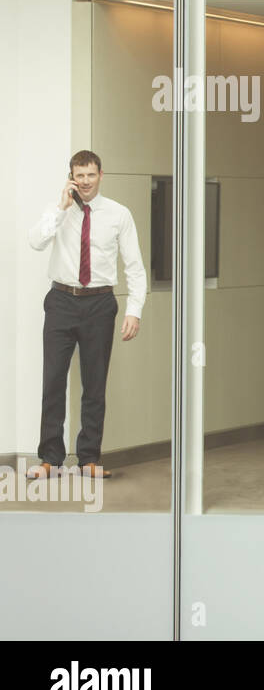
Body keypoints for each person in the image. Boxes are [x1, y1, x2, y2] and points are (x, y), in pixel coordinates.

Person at [27, 150, 145, 480]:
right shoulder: (58, 210)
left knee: (94, 383)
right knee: (52, 382)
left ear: (101, 175)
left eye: (91, 175)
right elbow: (35, 242)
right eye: (79, 175)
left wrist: (134, 310)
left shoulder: (118, 214)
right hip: (62, 301)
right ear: (71, 177)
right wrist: (61, 208)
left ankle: (89, 458)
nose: (85, 181)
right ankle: (50, 458)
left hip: (99, 304)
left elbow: (135, 266)